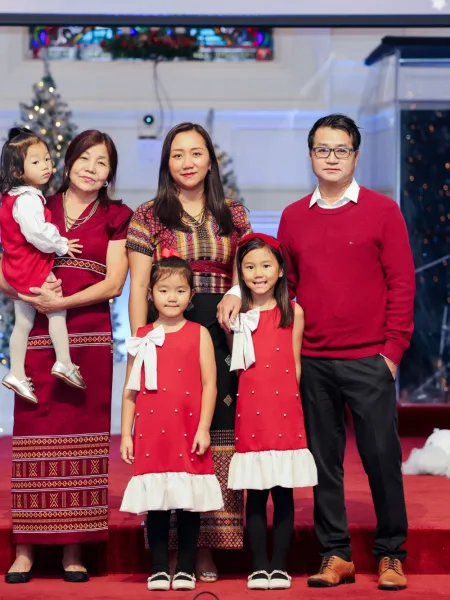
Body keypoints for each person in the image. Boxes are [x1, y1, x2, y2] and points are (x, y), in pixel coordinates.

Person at [277, 114, 416, 591]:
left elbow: (402, 283)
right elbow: (286, 286)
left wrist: (392, 352)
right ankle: (334, 554)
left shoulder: (383, 210)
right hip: (313, 360)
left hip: (370, 359)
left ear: (355, 156)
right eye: (323, 149)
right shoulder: (294, 216)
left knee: (381, 459)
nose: (331, 158)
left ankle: (391, 553)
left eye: (341, 150)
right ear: (310, 155)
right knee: (323, 463)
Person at [1, 130, 133, 584]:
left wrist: (62, 302)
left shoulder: (117, 215)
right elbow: (4, 266)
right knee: (33, 435)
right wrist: (31, 295)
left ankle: (74, 548)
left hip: (89, 338)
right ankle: (25, 548)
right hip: (38, 332)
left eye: (102, 162)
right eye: (84, 158)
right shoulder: (36, 202)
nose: (91, 168)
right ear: (68, 161)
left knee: (83, 436)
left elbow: (114, 283)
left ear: (110, 173)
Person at [126, 122, 251, 580]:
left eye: (196, 153)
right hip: (167, 333)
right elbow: (139, 286)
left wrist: (235, 293)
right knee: (169, 438)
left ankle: (205, 549)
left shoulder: (232, 212)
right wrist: (141, 343)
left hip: (221, 332)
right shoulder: (148, 215)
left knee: (217, 434)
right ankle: (170, 552)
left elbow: (247, 268)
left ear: (210, 161)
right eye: (177, 154)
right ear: (167, 162)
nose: (187, 162)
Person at [120, 251, 223, 592]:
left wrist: (204, 427)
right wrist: (126, 434)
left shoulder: (199, 333)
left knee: (188, 502)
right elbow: (130, 389)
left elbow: (210, 384)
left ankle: (186, 568)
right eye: (164, 290)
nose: (172, 297)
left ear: (191, 295)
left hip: (188, 429)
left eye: (180, 290)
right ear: (151, 293)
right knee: (158, 504)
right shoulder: (142, 335)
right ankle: (160, 568)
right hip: (152, 432)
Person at [227, 233, 317, 591]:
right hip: (251, 408)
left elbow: (295, 364)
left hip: (284, 409)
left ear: (280, 270)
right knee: (256, 493)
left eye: (266, 265)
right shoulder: (237, 314)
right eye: (250, 267)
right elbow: (237, 364)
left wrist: (291, 405)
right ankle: (258, 567)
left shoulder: (293, 312)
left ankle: (279, 566)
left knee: (282, 491)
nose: (258, 273)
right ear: (241, 273)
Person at [0, 127, 85, 403]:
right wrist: (62, 244)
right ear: (17, 170)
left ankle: (16, 372)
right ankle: (64, 361)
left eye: (47, 159)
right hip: (31, 267)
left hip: (17, 267)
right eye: (36, 162)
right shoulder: (27, 199)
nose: (46, 165)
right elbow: (36, 233)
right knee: (57, 310)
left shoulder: (12, 197)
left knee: (23, 322)